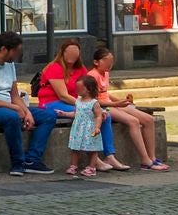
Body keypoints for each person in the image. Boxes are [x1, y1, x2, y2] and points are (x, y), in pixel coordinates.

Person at [0, 31, 56, 176]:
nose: (17, 55)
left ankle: (31, 160)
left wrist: (27, 112)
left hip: (6, 106)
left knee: (49, 115)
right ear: (4, 49)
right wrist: (15, 108)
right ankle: (17, 163)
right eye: (16, 51)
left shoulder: (9, 64)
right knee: (12, 117)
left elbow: (14, 95)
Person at [36, 38, 120, 169]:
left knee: (105, 115)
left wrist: (95, 106)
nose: (72, 57)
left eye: (75, 54)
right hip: (52, 103)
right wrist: (87, 106)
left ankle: (109, 155)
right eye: (69, 53)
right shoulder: (54, 68)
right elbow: (63, 95)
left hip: (76, 102)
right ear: (62, 53)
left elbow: (89, 90)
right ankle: (95, 159)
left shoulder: (80, 69)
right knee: (87, 116)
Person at [91, 48, 168, 170]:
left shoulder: (105, 73)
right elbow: (94, 100)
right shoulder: (92, 75)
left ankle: (152, 157)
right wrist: (117, 104)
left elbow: (105, 93)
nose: (109, 64)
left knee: (148, 119)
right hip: (103, 107)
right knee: (133, 121)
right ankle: (145, 160)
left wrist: (121, 101)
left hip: (111, 103)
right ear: (96, 62)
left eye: (112, 61)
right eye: (106, 60)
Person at [63, 75, 106, 178]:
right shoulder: (78, 101)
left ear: (88, 89)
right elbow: (76, 114)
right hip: (78, 129)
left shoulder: (94, 103)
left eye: (80, 88)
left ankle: (91, 167)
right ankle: (73, 165)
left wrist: (97, 127)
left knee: (92, 149)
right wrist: (64, 113)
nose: (77, 90)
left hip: (89, 128)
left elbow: (98, 116)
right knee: (75, 148)